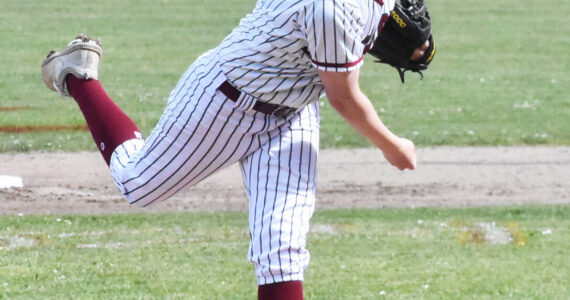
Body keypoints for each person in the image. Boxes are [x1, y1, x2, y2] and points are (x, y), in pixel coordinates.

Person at [42, 0, 425, 298]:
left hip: (293, 114)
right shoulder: (329, 7)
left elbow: (389, 22)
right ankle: (80, 76)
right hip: (224, 101)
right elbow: (344, 97)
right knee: (135, 182)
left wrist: (415, 40)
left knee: (282, 252)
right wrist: (392, 146)